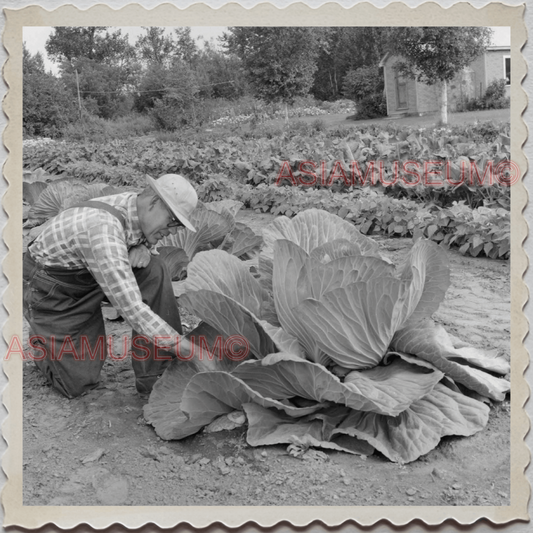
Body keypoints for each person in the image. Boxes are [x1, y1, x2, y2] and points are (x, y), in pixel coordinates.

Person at [23, 173, 198, 398]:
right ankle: (43, 340)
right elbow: (132, 309)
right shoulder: (101, 227)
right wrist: (188, 350)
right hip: (54, 290)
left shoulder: (136, 207)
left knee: (154, 269)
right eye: (173, 221)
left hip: (91, 276)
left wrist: (144, 246)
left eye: (179, 226)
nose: (174, 230)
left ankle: (156, 374)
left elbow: (138, 234)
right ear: (154, 202)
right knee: (77, 384)